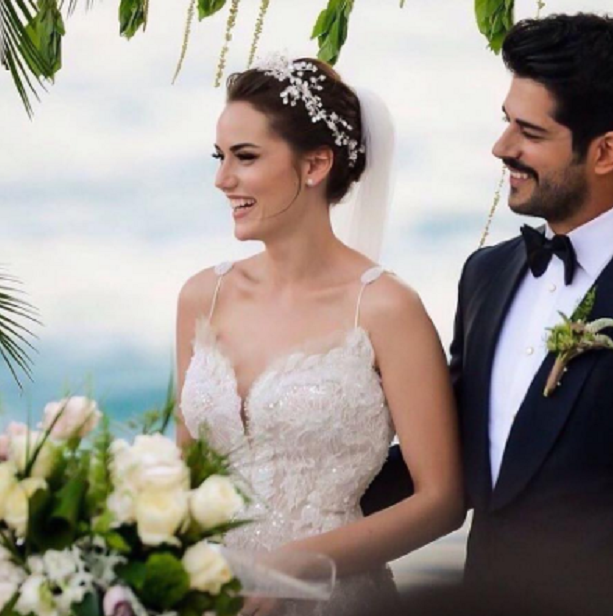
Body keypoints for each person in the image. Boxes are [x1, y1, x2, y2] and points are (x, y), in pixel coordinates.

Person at [366, 12, 613, 616]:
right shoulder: (486, 274)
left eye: (529, 132)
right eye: (506, 121)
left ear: (607, 151)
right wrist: (295, 503)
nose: (502, 147)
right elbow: (454, 452)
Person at [175, 54, 464, 616]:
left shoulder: (386, 309)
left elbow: (441, 500)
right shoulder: (201, 297)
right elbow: (185, 478)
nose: (222, 179)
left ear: (315, 165)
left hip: (333, 600)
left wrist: (299, 563)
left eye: (245, 157)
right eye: (219, 156)